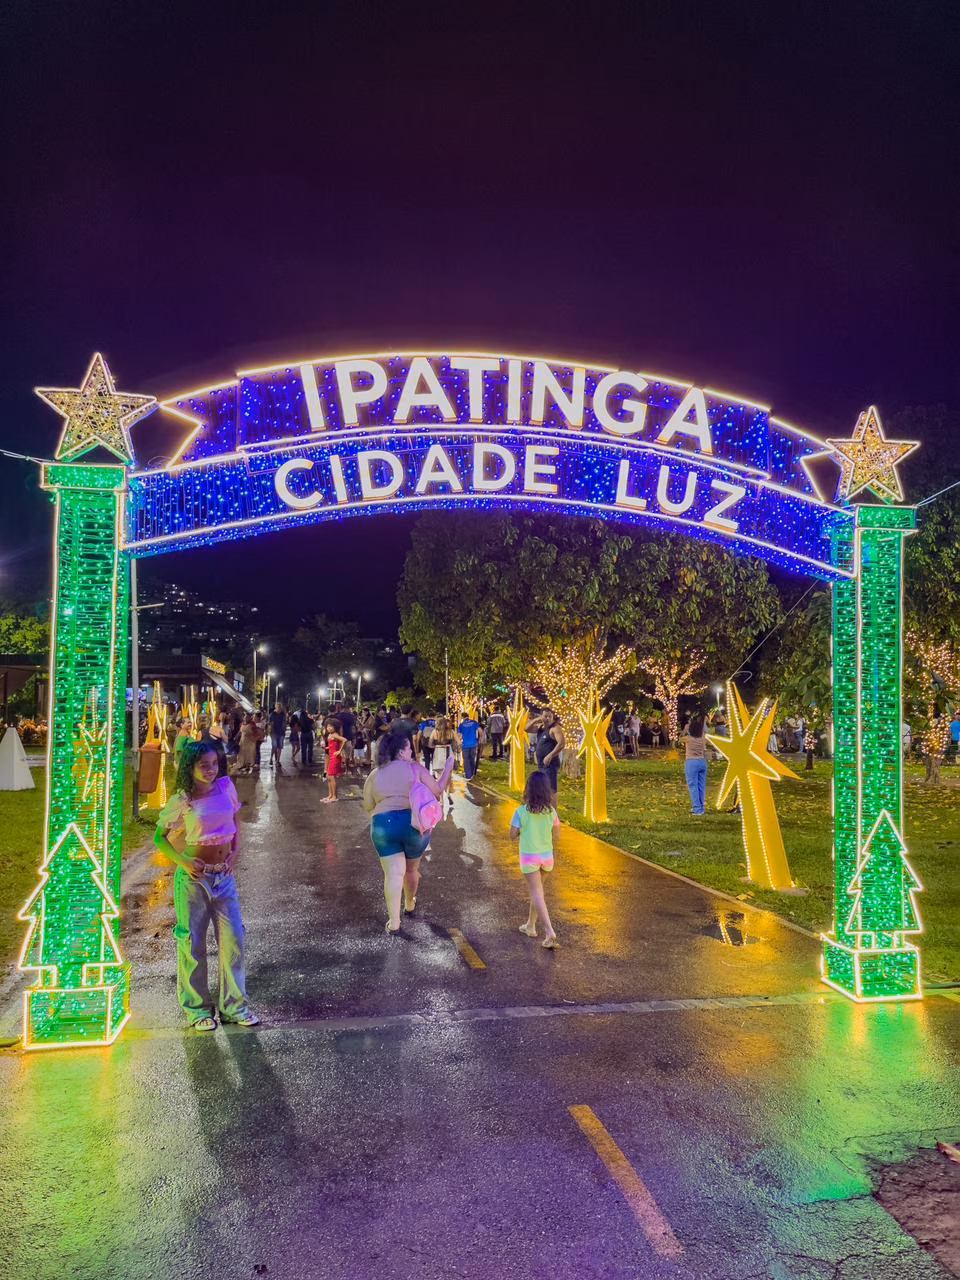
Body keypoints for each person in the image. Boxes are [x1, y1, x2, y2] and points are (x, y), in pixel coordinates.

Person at [153, 740, 259, 1030]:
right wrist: (183, 861)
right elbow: (159, 838)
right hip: (193, 881)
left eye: (214, 763)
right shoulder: (183, 799)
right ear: (190, 767)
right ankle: (197, 1010)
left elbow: (236, 820)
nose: (211, 769)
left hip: (224, 878)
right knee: (192, 944)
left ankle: (234, 1007)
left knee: (234, 941)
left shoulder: (226, 786)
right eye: (204, 765)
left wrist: (235, 852)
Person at [362, 728, 453, 932]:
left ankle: (394, 922)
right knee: (411, 870)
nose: (412, 751)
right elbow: (437, 791)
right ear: (401, 752)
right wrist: (448, 768)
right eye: (409, 748)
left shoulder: (375, 774)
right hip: (413, 824)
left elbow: (368, 805)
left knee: (393, 874)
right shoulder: (414, 768)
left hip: (383, 825)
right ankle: (409, 904)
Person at [511, 769, 560, 949]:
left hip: (529, 857)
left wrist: (521, 830)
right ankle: (530, 926)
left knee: (536, 892)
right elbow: (557, 836)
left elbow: (512, 835)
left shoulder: (521, 812)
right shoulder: (551, 812)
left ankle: (549, 932)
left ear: (528, 789)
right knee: (537, 891)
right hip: (547, 857)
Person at [533, 709, 565, 803]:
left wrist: (550, 755)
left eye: (550, 716)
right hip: (541, 764)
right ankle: (546, 807)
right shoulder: (541, 728)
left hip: (550, 764)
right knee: (544, 787)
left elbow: (561, 743)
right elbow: (526, 729)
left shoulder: (555, 728)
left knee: (551, 789)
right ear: (541, 717)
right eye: (545, 716)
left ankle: (553, 811)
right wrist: (536, 720)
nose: (547, 718)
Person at [681, 711, 708, 816]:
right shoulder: (703, 739)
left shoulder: (687, 739)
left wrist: (685, 729)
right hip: (702, 761)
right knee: (701, 786)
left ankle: (697, 809)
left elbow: (679, 739)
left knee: (693, 786)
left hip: (691, 762)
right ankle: (701, 807)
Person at [322, 717, 348, 802]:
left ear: (335, 727)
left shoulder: (334, 735)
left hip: (335, 758)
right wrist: (326, 747)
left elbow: (344, 740)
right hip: (331, 757)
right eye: (328, 726)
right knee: (329, 776)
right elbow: (333, 745)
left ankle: (334, 796)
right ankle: (330, 795)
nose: (329, 728)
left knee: (331, 776)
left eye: (331, 726)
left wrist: (339, 751)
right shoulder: (330, 735)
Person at [458, 711, 481, 780]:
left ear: (462, 717)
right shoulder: (474, 723)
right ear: (468, 716)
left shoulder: (461, 725)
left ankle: (468, 775)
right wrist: (479, 739)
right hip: (473, 744)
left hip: (465, 745)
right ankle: (473, 773)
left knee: (466, 760)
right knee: (472, 759)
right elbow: (480, 731)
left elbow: (459, 736)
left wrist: (459, 742)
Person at [269, 702, 287, 772]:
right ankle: (271, 758)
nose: (279, 708)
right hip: (274, 733)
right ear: (275, 707)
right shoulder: (272, 714)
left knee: (279, 747)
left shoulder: (283, 714)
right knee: (274, 747)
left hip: (281, 733)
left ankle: (277, 761)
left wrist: (284, 730)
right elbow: (270, 723)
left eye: (280, 707)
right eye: (277, 706)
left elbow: (285, 723)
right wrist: (270, 732)